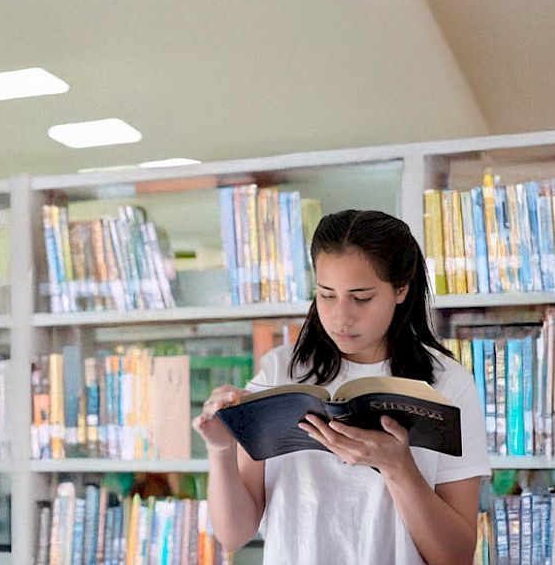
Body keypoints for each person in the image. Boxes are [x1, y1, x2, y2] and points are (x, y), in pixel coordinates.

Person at [191, 209, 490, 565]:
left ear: (401, 289)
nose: (340, 317)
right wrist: (221, 450)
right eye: (327, 295)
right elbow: (233, 534)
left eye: (361, 298)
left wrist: (398, 468)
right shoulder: (278, 372)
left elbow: (456, 557)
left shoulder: (447, 383)